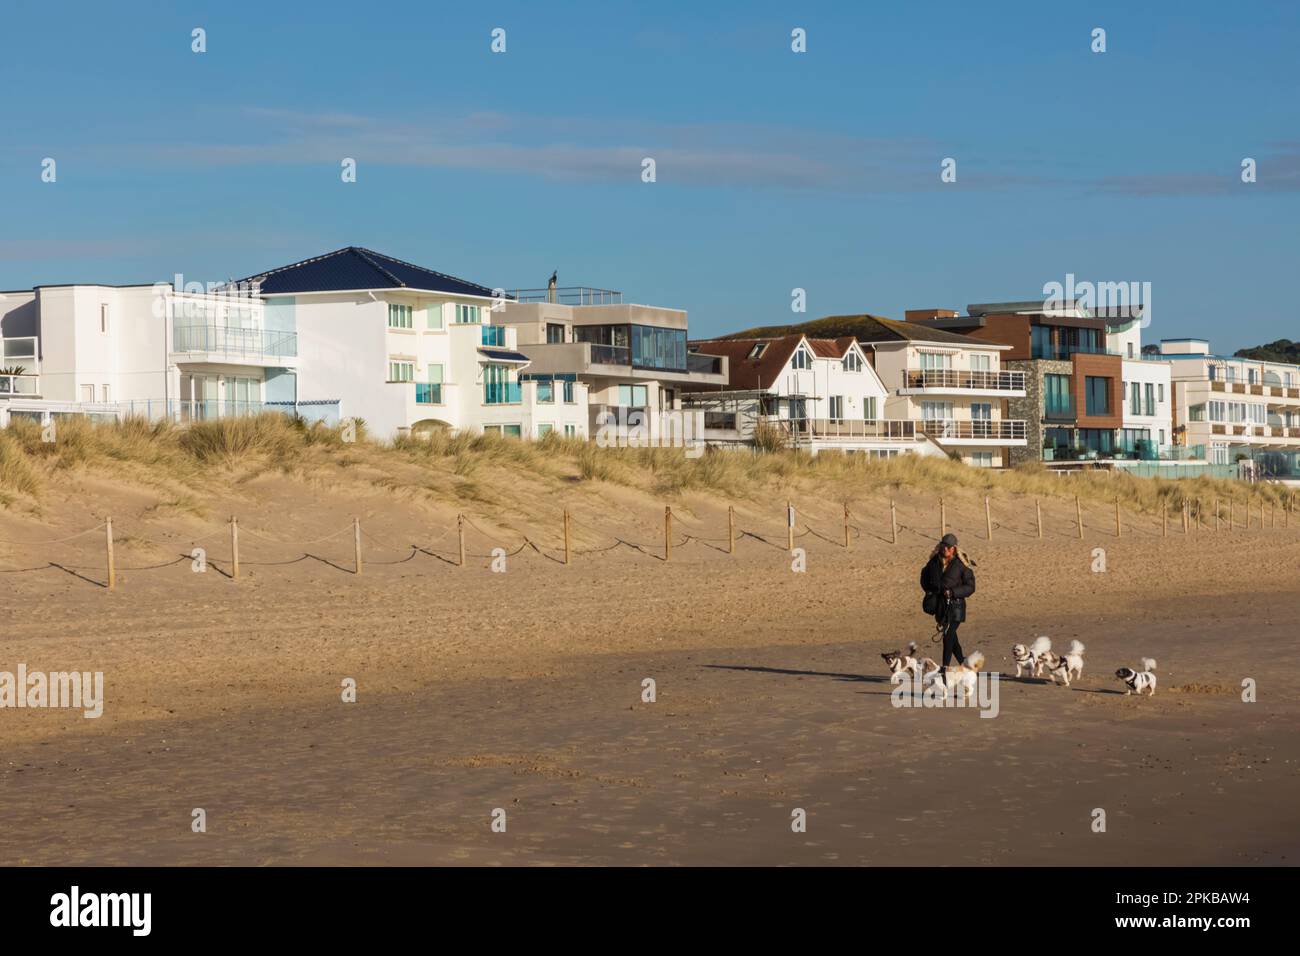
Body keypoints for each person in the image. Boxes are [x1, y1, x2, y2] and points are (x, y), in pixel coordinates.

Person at [920, 533, 976, 676]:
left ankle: (945, 669)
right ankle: (965, 664)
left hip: (956, 606)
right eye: (943, 546)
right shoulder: (932, 563)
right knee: (951, 637)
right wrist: (930, 592)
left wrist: (953, 592)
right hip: (940, 607)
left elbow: (970, 587)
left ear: (954, 549)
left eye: (949, 547)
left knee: (948, 634)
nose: (945, 549)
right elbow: (924, 579)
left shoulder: (961, 564)